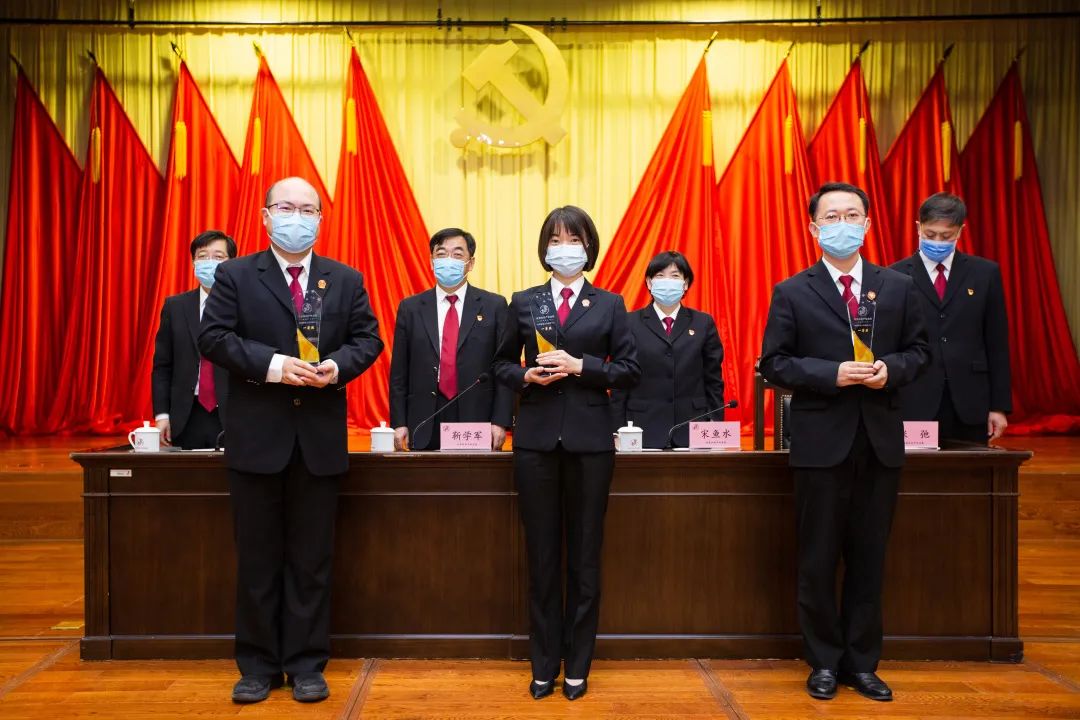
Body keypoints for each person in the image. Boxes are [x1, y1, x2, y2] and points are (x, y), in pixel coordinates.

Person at [199, 177, 383, 705]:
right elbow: (213, 337)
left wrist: (336, 367)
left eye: (307, 209)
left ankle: (306, 664)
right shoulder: (236, 275)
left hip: (317, 444)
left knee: (311, 561)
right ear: (265, 215)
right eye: (285, 207)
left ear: (321, 219)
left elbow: (368, 339)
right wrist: (276, 366)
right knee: (257, 561)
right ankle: (257, 666)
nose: (295, 217)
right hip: (257, 440)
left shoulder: (344, 279)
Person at [759, 182, 929, 703]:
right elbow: (774, 363)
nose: (842, 224)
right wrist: (831, 373)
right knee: (817, 558)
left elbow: (921, 351)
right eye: (831, 216)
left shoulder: (897, 286)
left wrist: (890, 369)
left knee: (869, 557)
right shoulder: (793, 291)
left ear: (868, 224)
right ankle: (823, 662)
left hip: (879, 441)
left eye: (852, 215)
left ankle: (862, 664)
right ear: (813, 228)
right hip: (820, 443)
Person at [494, 205, 640, 701]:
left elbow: (630, 369)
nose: (564, 249)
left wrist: (582, 366)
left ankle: (577, 665)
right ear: (544, 249)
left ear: (588, 247)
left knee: (584, 558)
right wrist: (525, 375)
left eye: (574, 240)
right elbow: (500, 365)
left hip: (590, 443)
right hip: (535, 441)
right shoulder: (524, 301)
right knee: (542, 558)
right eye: (555, 240)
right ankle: (543, 664)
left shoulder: (610, 304)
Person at [891, 192, 1011, 443]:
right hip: (915, 399)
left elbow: (997, 343)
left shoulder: (985, 273)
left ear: (960, 231)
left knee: (969, 467)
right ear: (918, 228)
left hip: (971, 403)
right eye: (930, 234)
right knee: (917, 467)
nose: (937, 241)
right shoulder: (895, 276)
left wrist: (998, 406)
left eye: (946, 236)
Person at [388, 228, 513, 450]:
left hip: (477, 415)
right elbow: (399, 372)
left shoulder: (494, 306)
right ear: (431, 262)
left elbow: (504, 368)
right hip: (424, 416)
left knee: (473, 474)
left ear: (470, 263)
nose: (448, 260)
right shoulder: (411, 308)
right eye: (441, 254)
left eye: (457, 254)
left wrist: (500, 421)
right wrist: (398, 423)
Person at [611, 250, 725, 447]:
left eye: (675, 276)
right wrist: (615, 430)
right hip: (641, 429)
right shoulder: (629, 322)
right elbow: (620, 381)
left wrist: (716, 424)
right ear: (649, 283)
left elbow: (713, 381)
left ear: (685, 283)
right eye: (660, 275)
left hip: (694, 428)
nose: (667, 281)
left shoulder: (703, 323)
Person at [152, 230, 236, 449]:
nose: (209, 262)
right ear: (193, 263)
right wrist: (162, 415)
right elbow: (162, 366)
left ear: (232, 264)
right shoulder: (175, 307)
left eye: (218, 257)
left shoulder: (245, 306)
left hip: (233, 414)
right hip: (186, 416)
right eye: (202, 256)